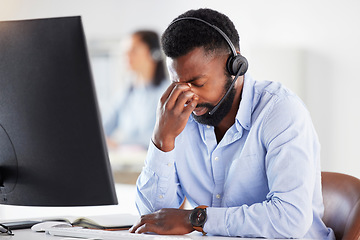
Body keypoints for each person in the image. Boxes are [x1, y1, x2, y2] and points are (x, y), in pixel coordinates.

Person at [130, 8, 335, 239]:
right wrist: (162, 140)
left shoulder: (280, 111)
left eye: (197, 83)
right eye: (178, 83)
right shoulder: (178, 118)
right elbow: (152, 219)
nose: (188, 97)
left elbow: (290, 219)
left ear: (235, 65)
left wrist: (196, 219)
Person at [103, 30, 168, 149]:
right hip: (127, 162)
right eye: (125, 52)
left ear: (154, 54)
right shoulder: (127, 92)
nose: (126, 56)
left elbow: (163, 135)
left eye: (133, 51)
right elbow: (105, 126)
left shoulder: (167, 92)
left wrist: (119, 144)